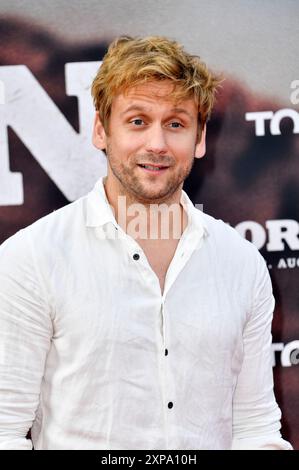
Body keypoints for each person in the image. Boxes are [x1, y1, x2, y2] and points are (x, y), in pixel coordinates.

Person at [0, 36, 292, 450]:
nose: (157, 144)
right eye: (137, 121)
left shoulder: (241, 263)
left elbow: (256, 430)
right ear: (101, 130)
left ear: (200, 138)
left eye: (175, 124)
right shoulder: (30, 258)